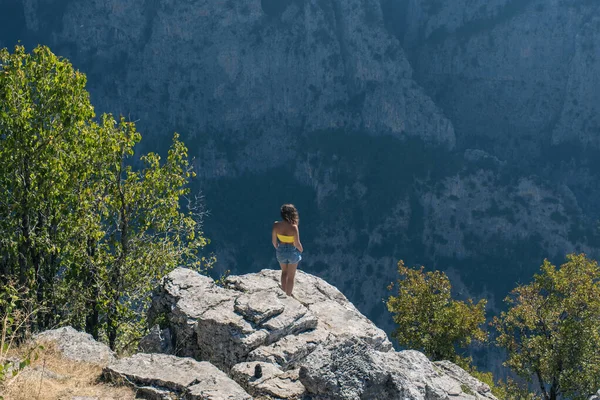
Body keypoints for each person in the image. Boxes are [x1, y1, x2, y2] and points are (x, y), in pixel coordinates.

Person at [272, 204, 303, 296]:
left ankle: (283, 292)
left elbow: (274, 242)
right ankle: (288, 296)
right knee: (291, 277)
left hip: (280, 250)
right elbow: (297, 243)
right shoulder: (294, 227)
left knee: (284, 272)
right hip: (292, 251)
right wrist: (301, 250)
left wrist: (279, 249)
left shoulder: (276, 225)